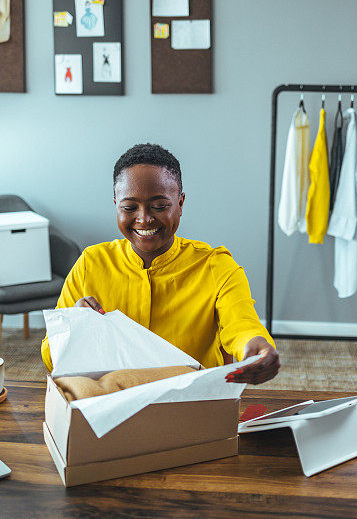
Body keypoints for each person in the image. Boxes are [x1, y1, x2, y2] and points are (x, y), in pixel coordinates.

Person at [40, 143, 280, 384]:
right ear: (116, 205)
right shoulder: (91, 263)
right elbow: (52, 356)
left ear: (181, 203)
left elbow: (242, 326)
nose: (144, 218)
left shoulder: (216, 266)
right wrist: (76, 328)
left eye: (159, 206)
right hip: (110, 402)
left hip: (192, 403)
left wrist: (256, 346)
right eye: (129, 207)